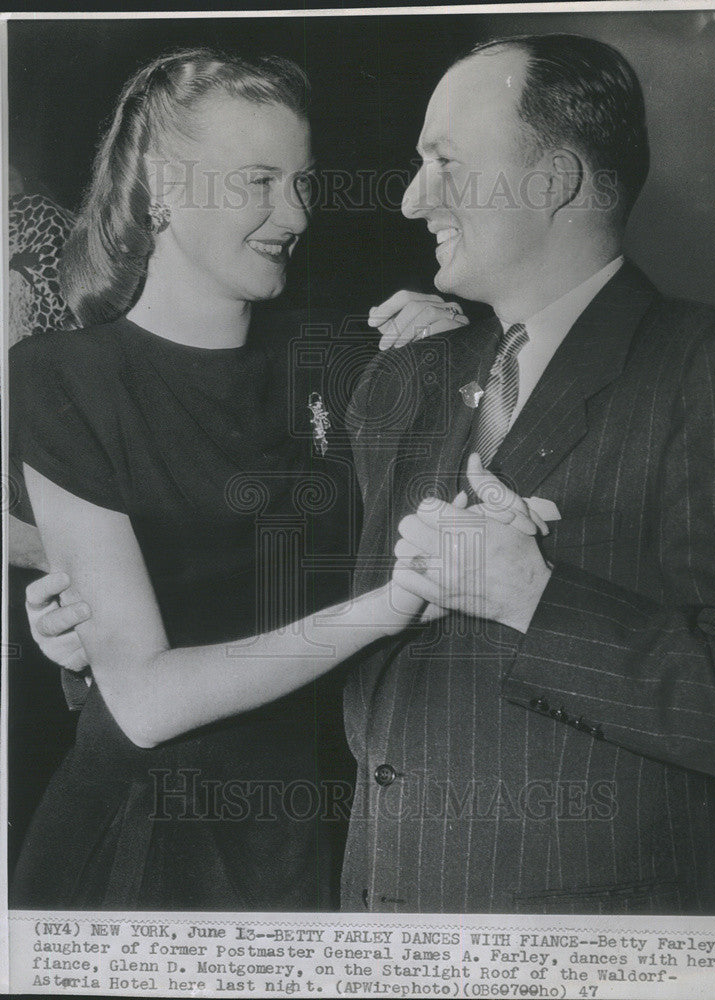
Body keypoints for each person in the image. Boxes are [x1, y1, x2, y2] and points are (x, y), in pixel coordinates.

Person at [9, 47, 467, 910]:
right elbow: (141, 698)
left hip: (320, 840)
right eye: (258, 181)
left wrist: (467, 344)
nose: (291, 213)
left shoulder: (348, 352)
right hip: (142, 847)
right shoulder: (59, 379)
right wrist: (386, 608)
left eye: (301, 182)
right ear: (163, 187)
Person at [338, 33, 715, 914]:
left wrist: (535, 597)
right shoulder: (411, 380)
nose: (411, 201)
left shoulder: (713, 370)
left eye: (444, 162)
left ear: (553, 182)